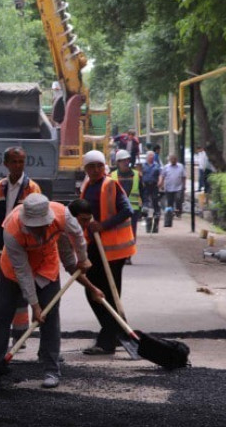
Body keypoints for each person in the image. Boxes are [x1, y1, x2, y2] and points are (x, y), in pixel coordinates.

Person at [0, 193, 103, 389]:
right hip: (13, 272)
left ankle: (51, 369)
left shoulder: (62, 215)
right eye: (35, 226)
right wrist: (34, 305)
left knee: (51, 317)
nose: (39, 229)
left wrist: (82, 258)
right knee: (1, 315)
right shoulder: (11, 230)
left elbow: (78, 236)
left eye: (42, 225)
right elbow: (22, 272)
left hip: (46, 267)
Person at [0, 147, 41, 357]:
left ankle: (19, 336)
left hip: (20, 248)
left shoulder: (32, 189)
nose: (18, 165)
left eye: (21, 161)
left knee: (20, 291)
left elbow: (36, 219)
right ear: (6, 164)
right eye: (14, 162)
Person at [79, 150, 135, 355]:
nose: (95, 170)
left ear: (104, 167)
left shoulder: (110, 184)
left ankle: (108, 339)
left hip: (113, 250)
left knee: (108, 294)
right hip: (95, 246)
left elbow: (127, 210)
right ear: (85, 169)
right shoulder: (87, 185)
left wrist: (103, 226)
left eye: (98, 166)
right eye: (91, 166)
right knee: (93, 290)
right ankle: (120, 331)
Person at [109, 149, 141, 264]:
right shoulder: (112, 176)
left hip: (133, 210)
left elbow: (142, 192)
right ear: (118, 162)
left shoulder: (137, 175)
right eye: (123, 161)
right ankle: (119, 255)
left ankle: (128, 256)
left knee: (131, 233)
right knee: (119, 233)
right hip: (118, 210)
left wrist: (145, 207)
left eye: (127, 160)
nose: (126, 162)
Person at [140, 151, 161, 218]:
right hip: (146, 185)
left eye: (152, 156)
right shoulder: (143, 165)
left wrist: (160, 182)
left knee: (155, 199)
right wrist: (142, 182)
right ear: (147, 157)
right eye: (150, 155)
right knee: (145, 199)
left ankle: (157, 212)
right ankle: (145, 212)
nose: (151, 157)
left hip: (154, 184)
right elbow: (140, 174)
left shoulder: (156, 165)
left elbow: (160, 174)